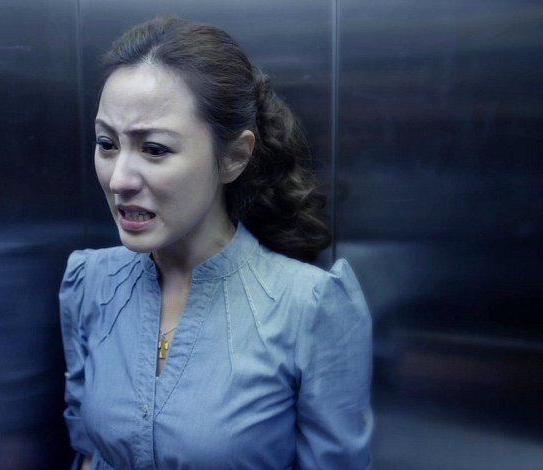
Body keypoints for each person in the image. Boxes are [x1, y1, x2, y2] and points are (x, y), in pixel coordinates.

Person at [59, 17, 372, 469]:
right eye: (107, 143)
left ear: (233, 157)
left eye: (154, 149)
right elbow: (88, 453)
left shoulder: (309, 307)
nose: (119, 179)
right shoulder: (90, 282)